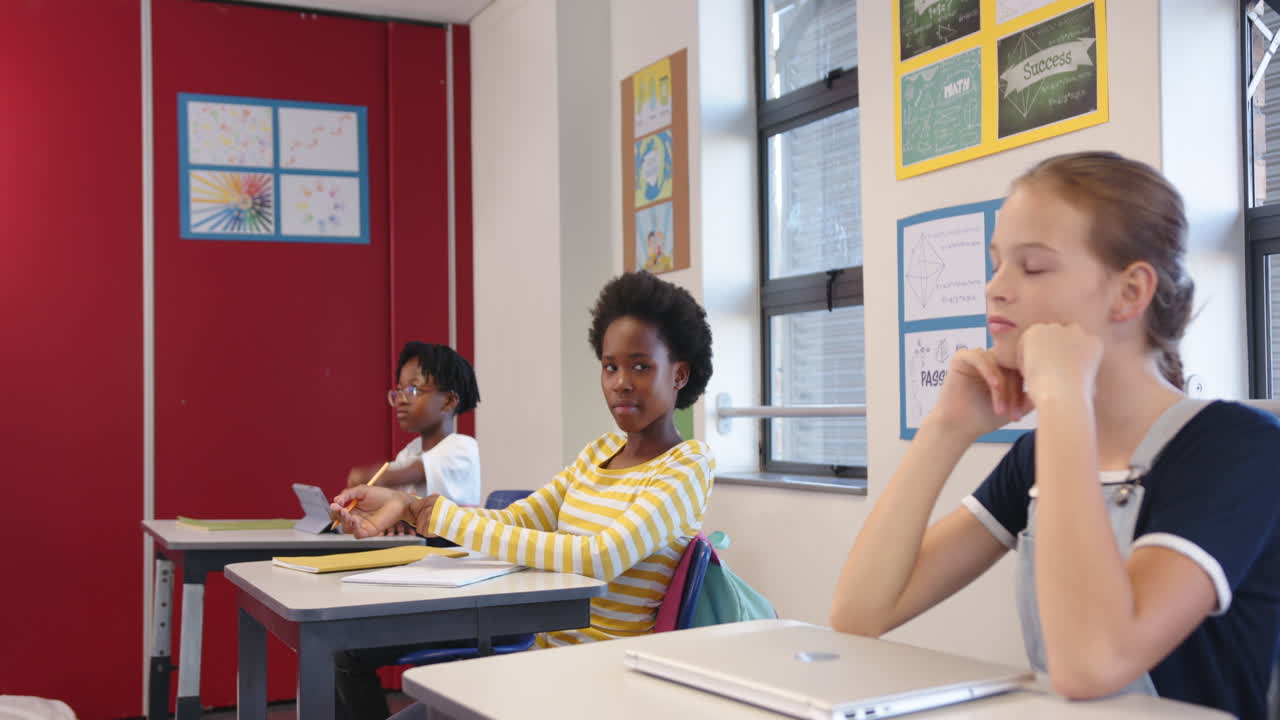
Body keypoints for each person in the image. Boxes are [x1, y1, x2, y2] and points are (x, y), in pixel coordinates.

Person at [830, 152, 1280, 718]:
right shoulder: (1040, 456)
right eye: (995, 264)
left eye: (1033, 267)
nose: (996, 288)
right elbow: (860, 614)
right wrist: (946, 428)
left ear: (1129, 292)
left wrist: (1064, 400)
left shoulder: (1237, 449)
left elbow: (1092, 663)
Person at [331, 271, 716, 720]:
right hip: (545, 664)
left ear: (680, 374)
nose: (620, 382)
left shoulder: (687, 466)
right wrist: (412, 510)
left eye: (640, 366)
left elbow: (601, 558)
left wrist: (437, 517)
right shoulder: (598, 453)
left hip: (601, 684)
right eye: (610, 366)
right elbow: (518, 518)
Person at [346, 342, 481, 508]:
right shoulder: (411, 451)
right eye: (399, 391)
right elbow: (392, 493)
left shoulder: (462, 447)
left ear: (448, 401)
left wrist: (374, 476)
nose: (401, 400)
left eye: (413, 390)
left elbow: (413, 473)